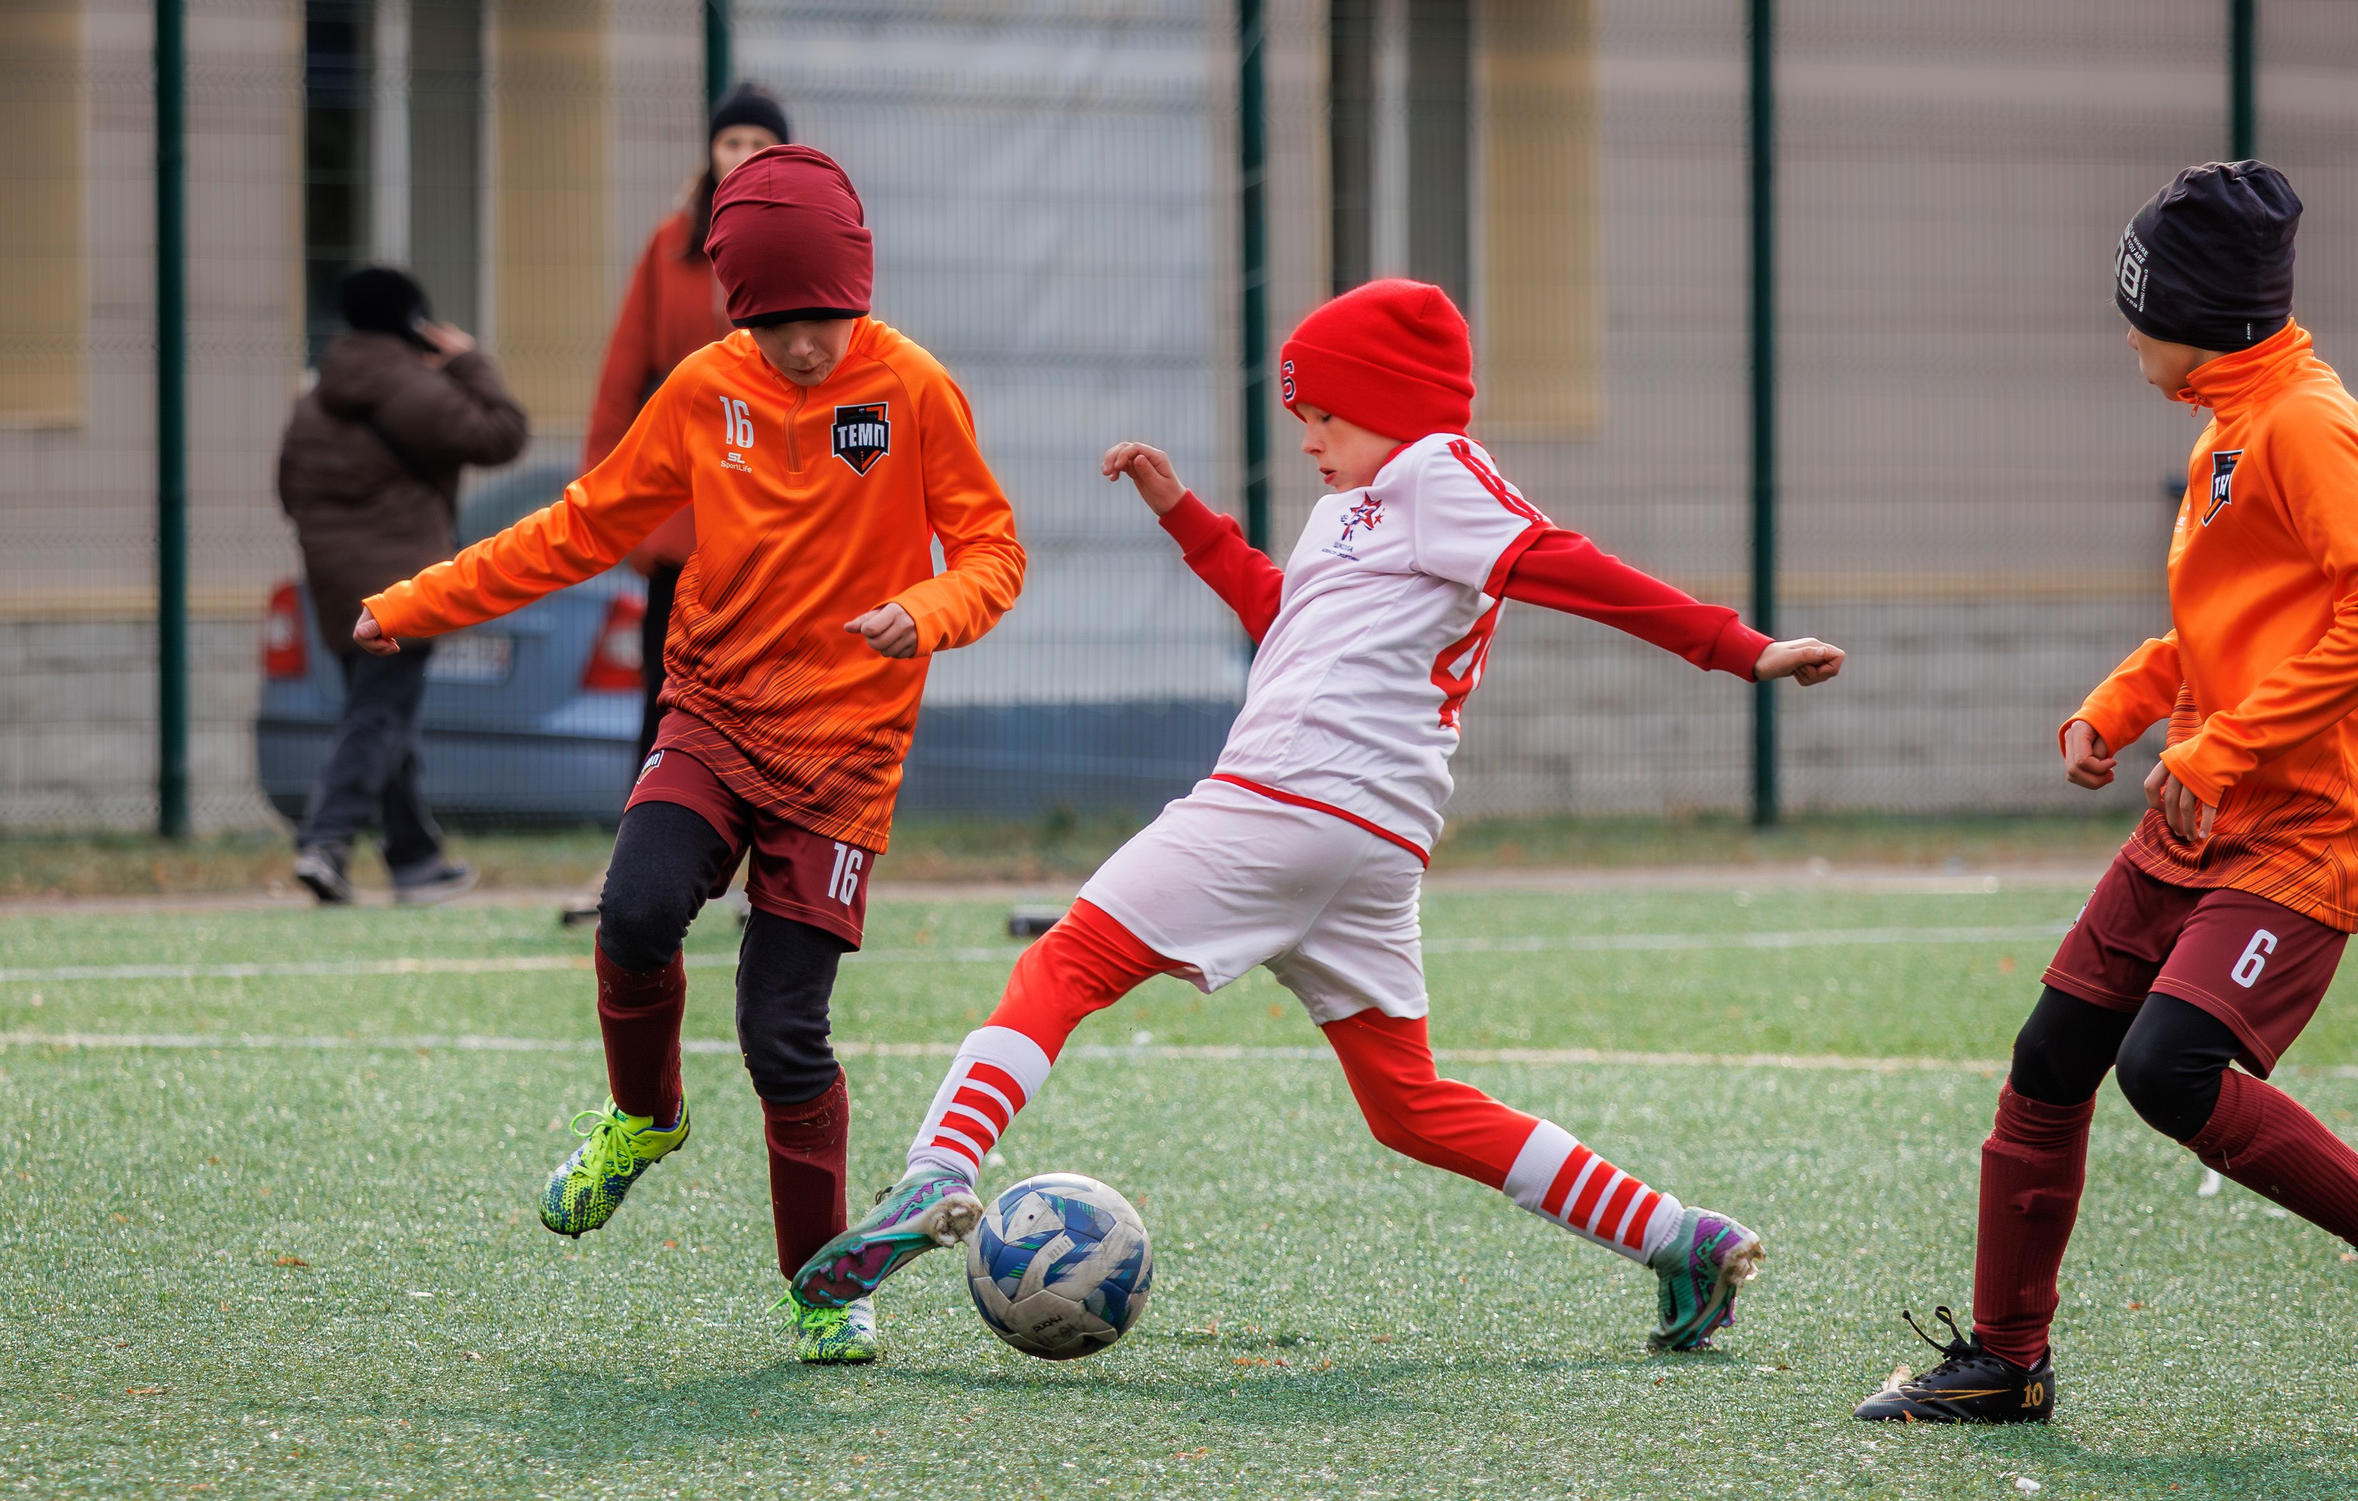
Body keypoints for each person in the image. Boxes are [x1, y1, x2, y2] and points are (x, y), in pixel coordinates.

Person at [788, 277, 1847, 1363]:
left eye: (1325, 416)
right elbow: (1281, 614)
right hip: (1365, 840)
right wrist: (1181, 513)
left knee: (1067, 964)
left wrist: (1737, 646)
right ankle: (1682, 1239)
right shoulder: (1358, 508)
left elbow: (1561, 564)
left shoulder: (1439, 470)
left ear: (1395, 404)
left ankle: (937, 1170)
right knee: (1410, 1106)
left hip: (1289, 798)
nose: (1309, 439)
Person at [352, 146, 1027, 1362]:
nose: (803, 347)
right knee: (635, 910)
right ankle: (638, 1118)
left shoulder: (915, 389)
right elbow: (578, 527)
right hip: (712, 710)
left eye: (822, 317)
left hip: (846, 759)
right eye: (775, 324)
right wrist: (417, 603)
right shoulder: (704, 390)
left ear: (857, 293)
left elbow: (992, 555)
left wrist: (920, 615)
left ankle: (823, 1290)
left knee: (783, 1030)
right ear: (738, 313)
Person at [1853, 162, 2358, 1426]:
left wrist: (2220, 748)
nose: (2126, 330)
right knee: (2050, 1060)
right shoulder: (2226, 427)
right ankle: (2005, 1362)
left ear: (2198, 309)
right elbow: (2229, 631)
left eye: (2137, 304)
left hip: (2306, 820)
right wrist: (2121, 707)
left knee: (2171, 1068)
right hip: (2204, 804)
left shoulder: (2301, 421)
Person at [276, 266, 529, 906]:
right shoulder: (414, 391)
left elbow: (287, 490)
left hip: (331, 583)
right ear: (413, 322)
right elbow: (504, 434)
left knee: (381, 717)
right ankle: (325, 843)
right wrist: (470, 362)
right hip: (401, 587)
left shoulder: (313, 401)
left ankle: (414, 860)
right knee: (380, 717)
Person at [586, 84, 793, 774]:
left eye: (759, 144)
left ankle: (764, 849)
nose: (743, 156)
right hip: (683, 504)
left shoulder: (805, 237)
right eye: (732, 141)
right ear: (711, 149)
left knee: (768, 690)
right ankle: (644, 848)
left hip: (775, 505)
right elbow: (623, 369)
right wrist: (602, 496)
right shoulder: (671, 244)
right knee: (664, 687)